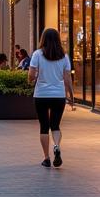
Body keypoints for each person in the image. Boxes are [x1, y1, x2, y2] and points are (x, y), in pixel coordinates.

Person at [28, 28, 75, 168]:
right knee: (55, 125)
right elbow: (67, 78)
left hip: (41, 94)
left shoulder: (37, 54)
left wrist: (31, 79)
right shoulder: (64, 56)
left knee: (44, 126)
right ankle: (56, 146)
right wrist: (71, 96)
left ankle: (47, 158)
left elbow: (31, 75)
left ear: (43, 39)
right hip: (58, 95)